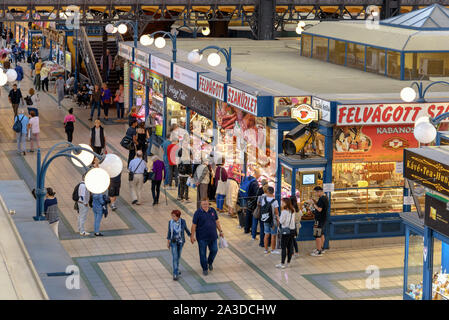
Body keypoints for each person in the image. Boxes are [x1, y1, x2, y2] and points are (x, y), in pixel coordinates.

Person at [191, 199, 224, 276]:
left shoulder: (212, 211)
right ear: (201, 204)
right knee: (202, 254)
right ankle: (205, 268)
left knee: (214, 250)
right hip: (202, 238)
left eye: (206, 204)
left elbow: (217, 221)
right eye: (203, 204)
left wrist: (221, 231)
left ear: (208, 203)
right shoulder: (197, 213)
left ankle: (209, 262)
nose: (205, 206)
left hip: (213, 236)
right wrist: (192, 236)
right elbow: (194, 225)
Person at [167, 210, 191, 281]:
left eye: (174, 216)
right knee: (175, 257)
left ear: (178, 216)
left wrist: (190, 236)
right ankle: (175, 273)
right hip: (173, 242)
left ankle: (176, 269)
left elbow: (186, 229)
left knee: (178, 257)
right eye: (172, 216)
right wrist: (168, 242)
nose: (172, 217)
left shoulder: (183, 221)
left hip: (181, 242)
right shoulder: (170, 222)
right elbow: (169, 232)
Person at [275, 198, 296, 269]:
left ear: (286, 203)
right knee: (290, 247)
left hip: (285, 231)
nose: (281, 204)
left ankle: (282, 263)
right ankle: (288, 262)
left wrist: (278, 217)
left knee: (283, 247)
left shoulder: (284, 212)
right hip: (292, 230)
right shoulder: (292, 211)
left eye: (282, 202)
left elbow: (281, 222)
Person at [310, 186, 329, 257]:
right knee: (322, 234)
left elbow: (319, 209)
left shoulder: (321, 199)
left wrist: (313, 204)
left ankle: (318, 251)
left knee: (317, 235)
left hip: (319, 219)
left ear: (319, 191)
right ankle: (321, 248)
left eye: (316, 192)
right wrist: (315, 202)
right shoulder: (325, 197)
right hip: (323, 219)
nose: (315, 194)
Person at [260, 186, 280, 255]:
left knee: (266, 234)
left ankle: (266, 249)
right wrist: (278, 221)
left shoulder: (263, 199)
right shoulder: (275, 201)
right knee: (273, 235)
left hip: (265, 219)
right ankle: (273, 249)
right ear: (273, 192)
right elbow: (276, 213)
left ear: (267, 192)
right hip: (273, 221)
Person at [243, 169, 261, 234]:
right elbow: (255, 192)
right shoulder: (255, 182)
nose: (259, 177)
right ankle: (252, 231)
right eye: (259, 175)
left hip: (247, 198)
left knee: (248, 213)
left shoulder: (249, 178)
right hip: (252, 200)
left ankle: (246, 228)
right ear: (257, 175)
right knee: (252, 215)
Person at [252, 180, 268, 246]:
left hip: (258, 211)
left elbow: (257, 202)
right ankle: (263, 242)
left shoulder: (260, 195)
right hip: (263, 213)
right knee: (262, 228)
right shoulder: (268, 197)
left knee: (255, 223)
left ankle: (254, 236)